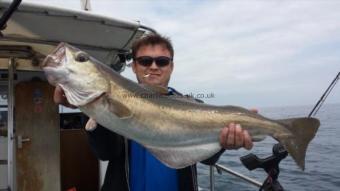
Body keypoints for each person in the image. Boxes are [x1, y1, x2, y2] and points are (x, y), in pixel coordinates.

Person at [54, 34, 253, 191]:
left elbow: (207, 159)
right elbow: (106, 152)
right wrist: (87, 109)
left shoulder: (195, 106)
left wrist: (226, 142)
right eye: (145, 61)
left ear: (171, 67)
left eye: (162, 61)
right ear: (134, 67)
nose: (154, 67)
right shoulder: (114, 100)